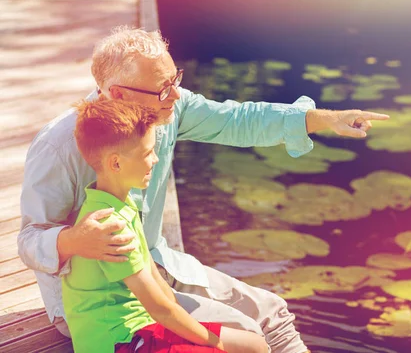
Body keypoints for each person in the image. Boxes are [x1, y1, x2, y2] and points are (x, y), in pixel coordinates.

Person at [18, 26, 389, 353]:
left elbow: (239, 120)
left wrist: (324, 119)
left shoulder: (167, 108)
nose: (175, 97)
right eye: (163, 90)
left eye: (175, 80)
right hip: (100, 308)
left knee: (274, 315)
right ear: (117, 94)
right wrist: (75, 240)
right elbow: (30, 239)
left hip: (156, 265)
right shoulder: (59, 146)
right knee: (245, 333)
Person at [65, 98, 268, 353]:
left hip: (141, 327)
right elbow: (159, 308)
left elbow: (157, 283)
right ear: (116, 164)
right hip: (119, 341)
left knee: (255, 345)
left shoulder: (122, 203)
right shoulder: (110, 226)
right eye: (147, 153)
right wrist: (215, 343)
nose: (155, 160)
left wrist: (197, 331)